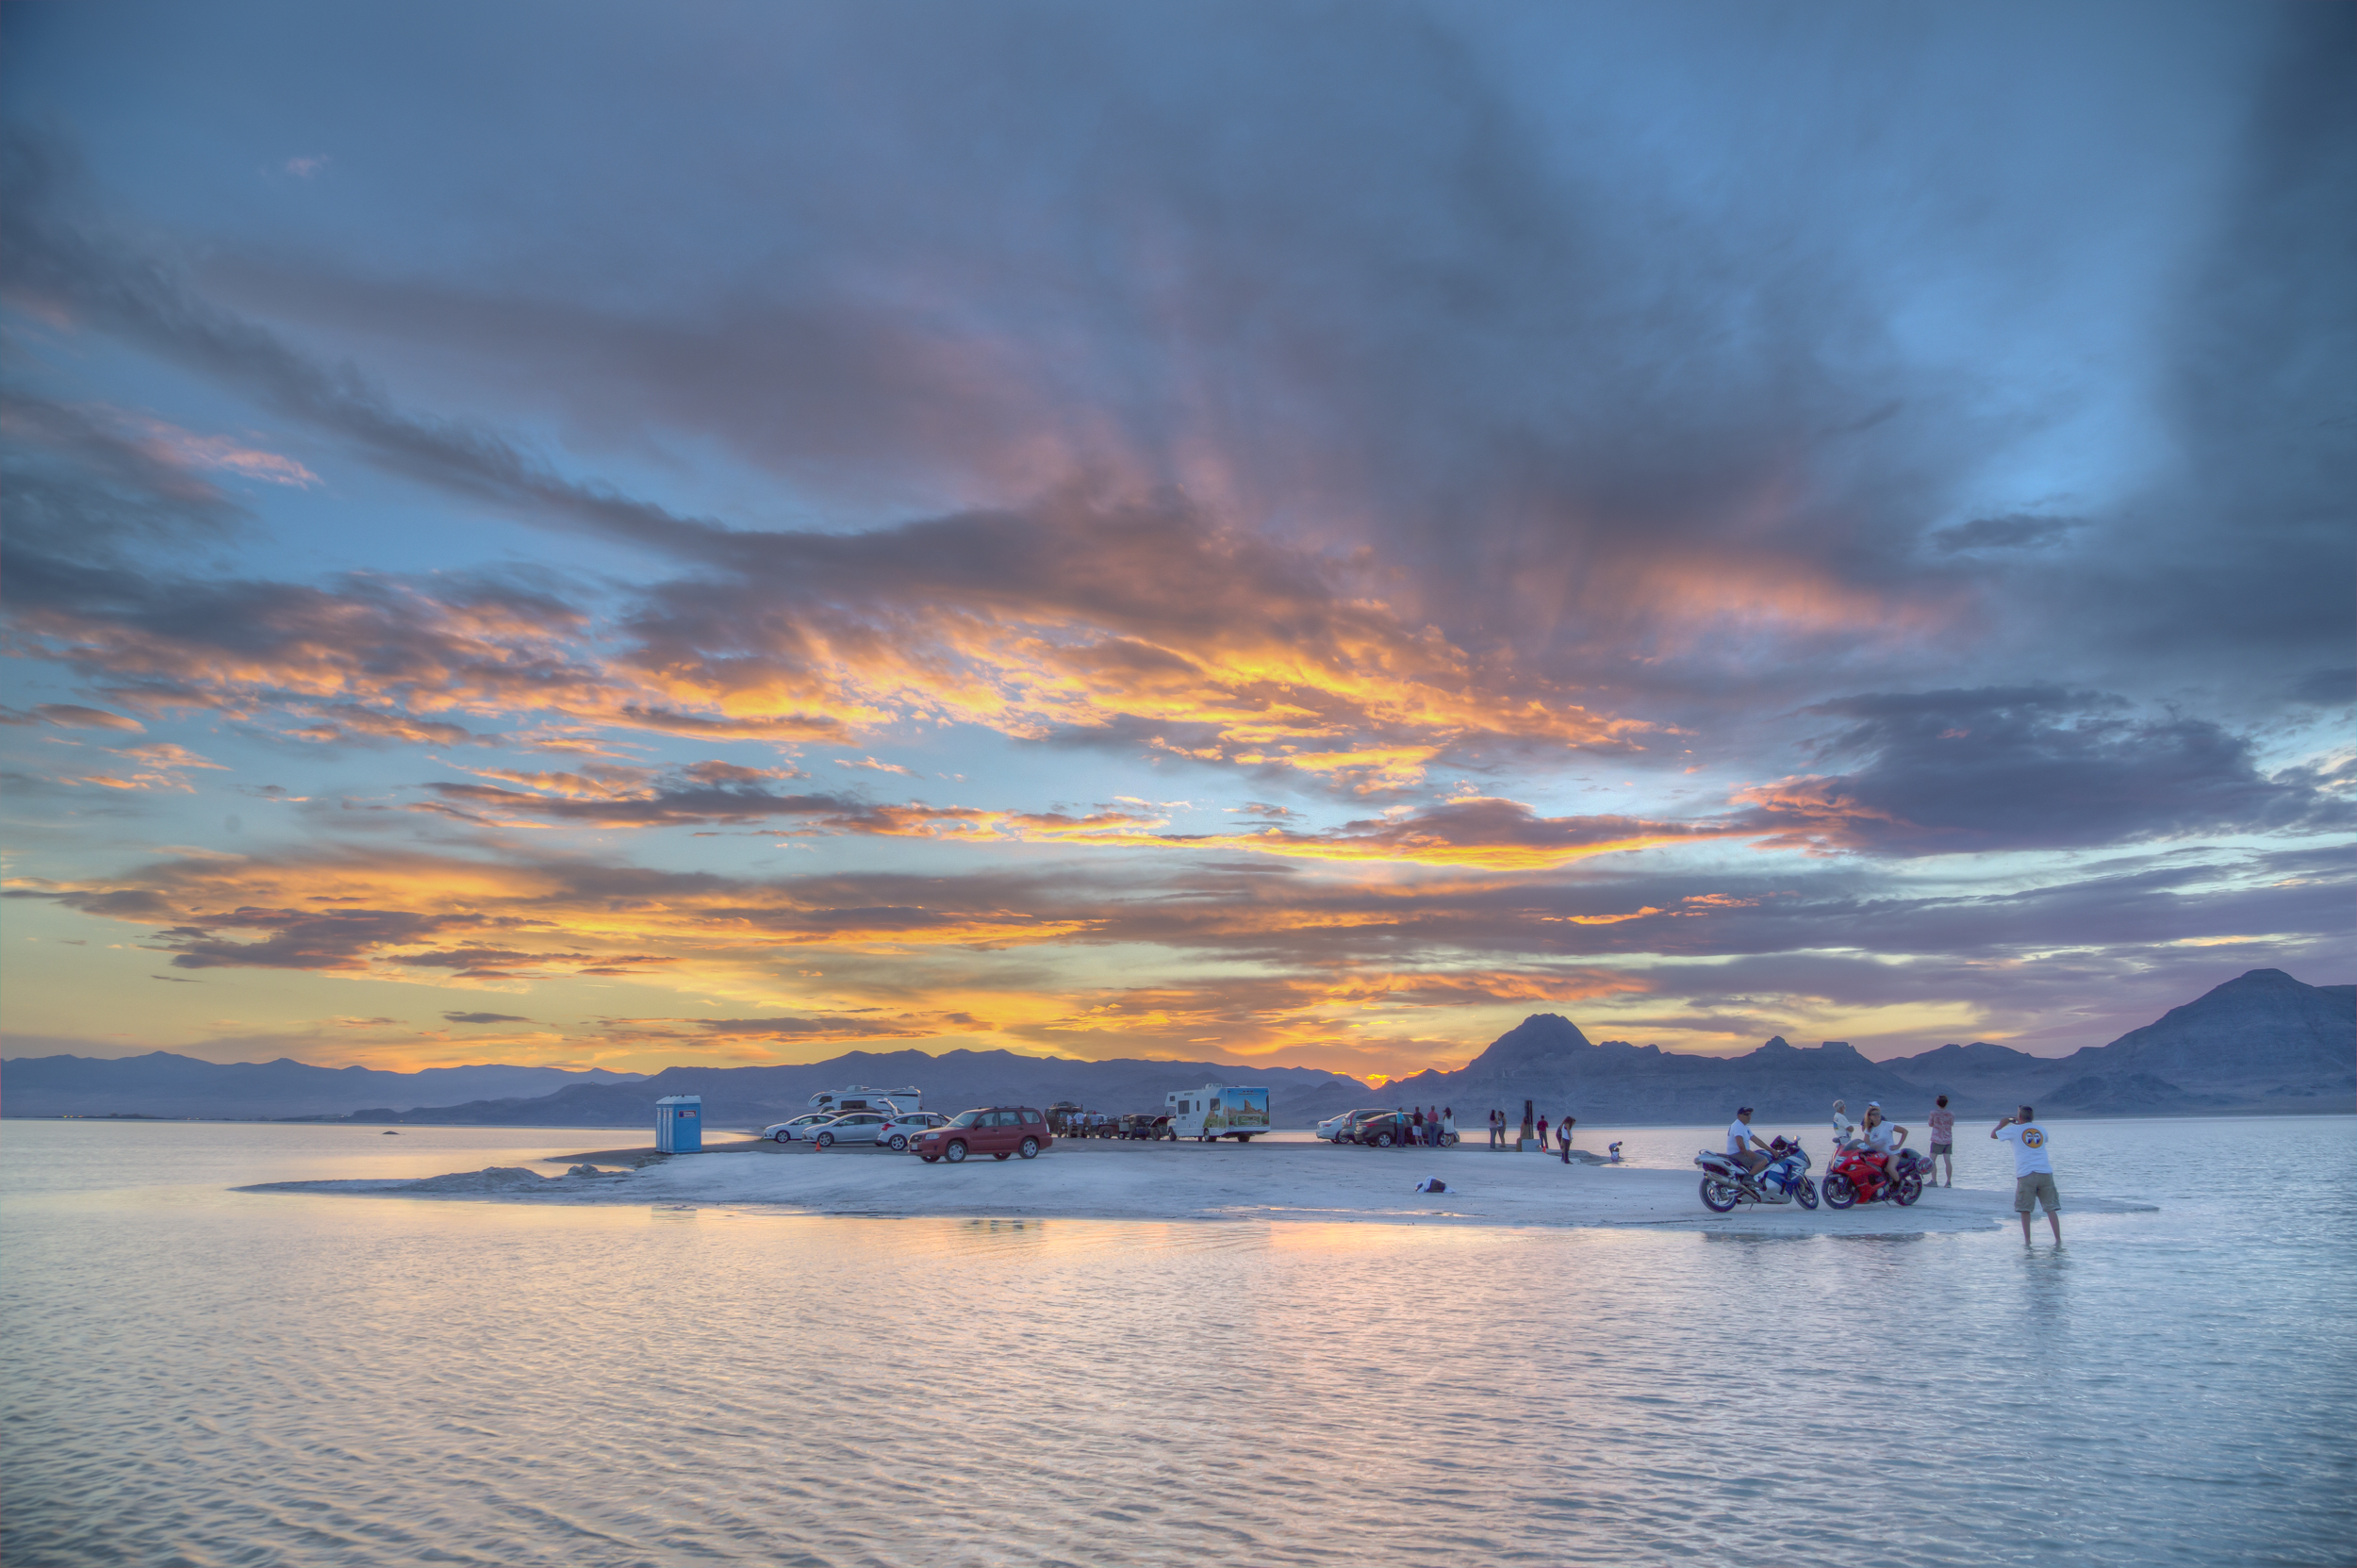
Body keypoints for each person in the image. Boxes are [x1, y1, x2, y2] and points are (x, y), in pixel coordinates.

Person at [1992, 1105, 2060, 1244]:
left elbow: (1993, 1135)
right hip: (2045, 1172)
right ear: (2032, 1117)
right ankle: (2058, 1239)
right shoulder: (2041, 1130)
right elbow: (2043, 1140)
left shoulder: (2013, 1129)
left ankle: (2028, 1241)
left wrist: (2001, 1124)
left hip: (2026, 1173)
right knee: (2051, 1207)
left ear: (2019, 1117)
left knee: (2025, 1209)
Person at [1859, 1104, 1909, 1197]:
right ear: (1869, 1117)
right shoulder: (1869, 1129)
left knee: (1890, 1168)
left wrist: (1898, 1145)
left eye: (1878, 1113)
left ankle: (1899, 1184)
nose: (1877, 1115)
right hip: (1878, 1155)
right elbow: (1865, 1143)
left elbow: (1904, 1131)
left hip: (1891, 1153)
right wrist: (1859, 1150)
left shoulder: (1887, 1125)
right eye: (1874, 1114)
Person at [1725, 1106, 1772, 1179]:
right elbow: (1740, 1143)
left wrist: (1771, 1150)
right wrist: (1746, 1152)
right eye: (1746, 1114)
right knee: (1763, 1160)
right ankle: (1748, 1179)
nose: (1749, 1116)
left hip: (1741, 1152)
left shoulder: (1744, 1127)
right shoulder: (1737, 1126)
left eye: (1750, 1114)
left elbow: (1756, 1140)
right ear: (1739, 1116)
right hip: (1736, 1154)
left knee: (1760, 1154)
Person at [1926, 1095, 1955, 1187]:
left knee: (1932, 1160)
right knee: (1947, 1161)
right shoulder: (1950, 1113)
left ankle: (1934, 1180)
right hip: (1947, 1139)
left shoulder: (1933, 1113)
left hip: (1936, 1139)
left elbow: (1930, 1124)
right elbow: (1951, 1123)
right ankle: (1948, 1182)